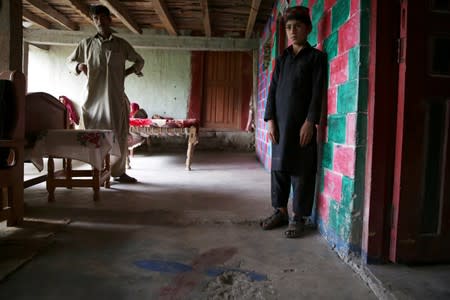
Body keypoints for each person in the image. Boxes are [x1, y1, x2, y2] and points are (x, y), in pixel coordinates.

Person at [260, 6, 326, 238]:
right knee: (279, 169)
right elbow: (273, 90)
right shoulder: (282, 59)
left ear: (307, 28)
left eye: (297, 26)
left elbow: (318, 92)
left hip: (302, 125)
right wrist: (269, 120)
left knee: (301, 170)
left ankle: (298, 217)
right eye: (288, 27)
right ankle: (280, 212)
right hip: (280, 123)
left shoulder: (316, 58)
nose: (292, 31)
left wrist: (311, 121)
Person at [67, 5, 144, 183]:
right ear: (93, 21)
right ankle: (97, 171)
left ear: (110, 20)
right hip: (92, 99)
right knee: (94, 136)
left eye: (102, 17)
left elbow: (139, 60)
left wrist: (127, 72)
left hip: (115, 98)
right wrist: (78, 66)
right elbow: (69, 62)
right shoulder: (86, 44)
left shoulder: (121, 45)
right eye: (95, 19)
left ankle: (118, 172)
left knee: (119, 135)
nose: (99, 21)